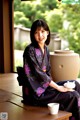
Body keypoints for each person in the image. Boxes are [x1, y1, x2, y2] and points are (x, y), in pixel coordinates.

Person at [17, 19, 80, 120]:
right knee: (73, 95)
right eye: (36, 32)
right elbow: (39, 73)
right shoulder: (30, 50)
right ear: (32, 35)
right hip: (36, 93)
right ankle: (73, 118)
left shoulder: (46, 49)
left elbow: (48, 71)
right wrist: (58, 88)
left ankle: (75, 114)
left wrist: (55, 87)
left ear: (47, 32)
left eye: (42, 31)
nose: (40, 35)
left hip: (46, 87)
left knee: (75, 84)